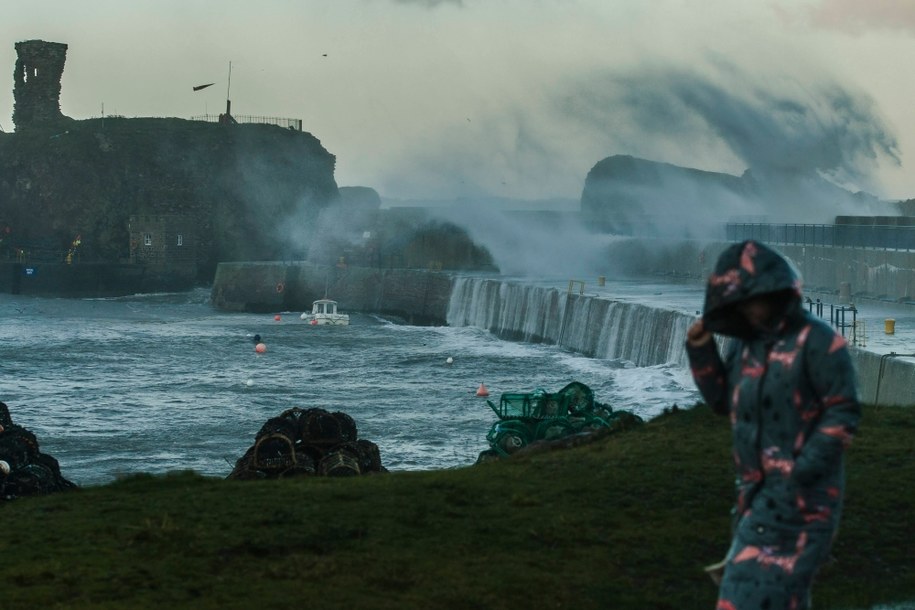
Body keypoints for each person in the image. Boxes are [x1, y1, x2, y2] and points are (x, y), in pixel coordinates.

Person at [685, 240, 861, 610]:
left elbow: (842, 413)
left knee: (751, 597)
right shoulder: (748, 345)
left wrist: (799, 470)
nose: (747, 309)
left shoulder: (819, 342)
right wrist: (701, 349)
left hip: (804, 502)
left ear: (776, 290)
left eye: (752, 298)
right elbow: (722, 401)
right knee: (781, 599)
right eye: (740, 301)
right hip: (754, 497)